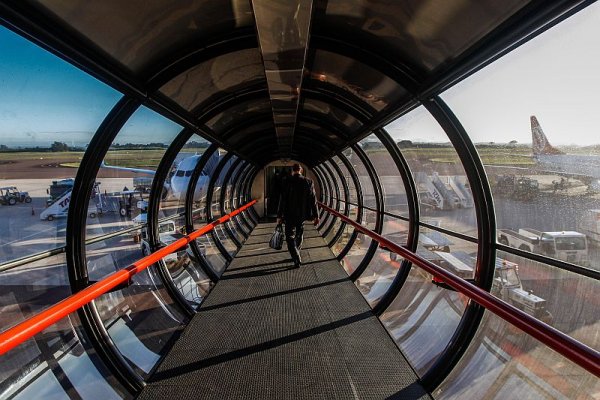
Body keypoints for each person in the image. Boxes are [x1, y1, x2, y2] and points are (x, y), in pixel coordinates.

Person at [277, 163, 319, 268]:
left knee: (289, 236)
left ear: (292, 171)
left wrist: (279, 215)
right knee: (299, 235)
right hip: (302, 215)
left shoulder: (286, 181)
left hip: (288, 214)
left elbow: (282, 200)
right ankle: (297, 254)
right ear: (300, 170)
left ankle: (296, 257)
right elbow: (313, 201)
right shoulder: (309, 182)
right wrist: (316, 215)